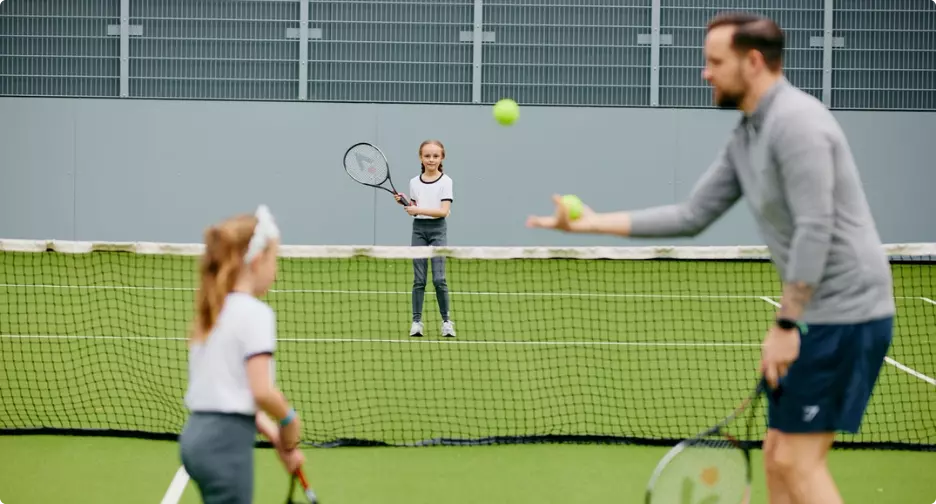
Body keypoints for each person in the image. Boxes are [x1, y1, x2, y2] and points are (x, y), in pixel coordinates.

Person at [526, 12, 894, 504]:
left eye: (715, 62)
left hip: (846, 313)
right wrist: (590, 222)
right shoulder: (748, 135)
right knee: (776, 456)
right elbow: (691, 214)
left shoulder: (797, 123)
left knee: (797, 462)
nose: (706, 73)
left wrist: (787, 325)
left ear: (755, 61)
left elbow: (816, 226)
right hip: (812, 317)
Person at [179, 204, 306, 504]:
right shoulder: (255, 314)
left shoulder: (214, 309)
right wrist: (289, 420)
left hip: (196, 439)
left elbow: (232, 392)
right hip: (225, 444)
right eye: (275, 259)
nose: (276, 270)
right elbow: (261, 391)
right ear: (258, 260)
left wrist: (277, 440)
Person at [394, 140, 456, 338]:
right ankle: (416, 322)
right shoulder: (414, 182)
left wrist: (417, 208)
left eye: (435, 156)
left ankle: (446, 322)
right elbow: (415, 209)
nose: (431, 159)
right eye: (427, 156)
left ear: (442, 158)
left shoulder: (446, 181)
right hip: (419, 230)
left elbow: (443, 211)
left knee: (439, 279)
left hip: (438, 231)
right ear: (421, 157)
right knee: (419, 280)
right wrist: (406, 203)